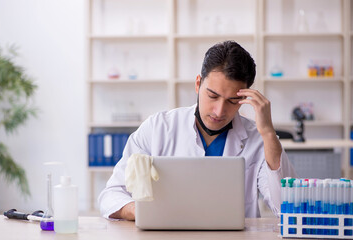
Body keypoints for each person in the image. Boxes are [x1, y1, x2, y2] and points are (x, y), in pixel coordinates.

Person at [98, 40, 296, 221]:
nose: (219, 111)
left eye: (232, 101)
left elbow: (287, 208)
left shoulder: (258, 138)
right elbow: (111, 195)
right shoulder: (158, 128)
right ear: (198, 84)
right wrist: (143, 212)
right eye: (212, 95)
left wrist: (269, 133)